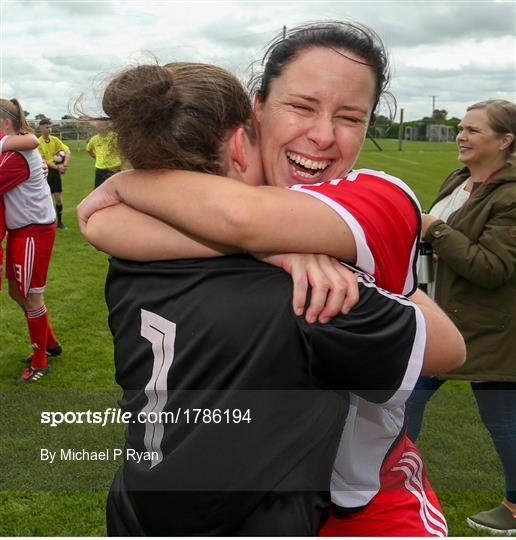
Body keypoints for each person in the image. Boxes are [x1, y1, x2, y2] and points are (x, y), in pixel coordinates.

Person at [79, 22, 454, 536]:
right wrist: (276, 249)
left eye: (350, 117)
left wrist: (129, 181)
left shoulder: (373, 195)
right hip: (293, 501)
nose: (323, 135)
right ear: (256, 111)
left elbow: (228, 218)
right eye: (301, 107)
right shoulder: (295, 292)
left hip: (349, 500)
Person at [405, 99, 516, 535]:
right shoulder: (460, 179)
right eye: (462, 128)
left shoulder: (510, 195)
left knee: (503, 420)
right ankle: (389, 487)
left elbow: (493, 269)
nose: (461, 135)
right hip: (439, 317)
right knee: (402, 402)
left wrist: (435, 229)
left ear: (506, 141)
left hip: (489, 330)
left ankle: (513, 508)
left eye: (474, 130)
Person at [0, 99, 62, 384]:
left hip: (33, 231)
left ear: (5, 123)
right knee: (16, 292)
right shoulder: (16, 148)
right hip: (21, 229)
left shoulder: (17, 155)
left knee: (31, 295)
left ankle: (40, 362)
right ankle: (49, 344)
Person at [37, 118, 71, 229]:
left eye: (50, 127)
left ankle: (60, 223)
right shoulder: (38, 142)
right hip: (44, 171)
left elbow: (67, 151)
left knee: (58, 198)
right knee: (45, 198)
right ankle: (44, 222)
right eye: (47, 127)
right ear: (41, 128)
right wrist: (58, 167)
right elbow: (43, 160)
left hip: (55, 171)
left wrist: (65, 165)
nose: (49, 129)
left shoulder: (55, 140)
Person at [86, 118, 122, 188]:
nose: (100, 128)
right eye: (98, 126)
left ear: (107, 126)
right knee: (98, 190)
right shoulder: (94, 139)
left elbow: (123, 147)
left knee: (117, 190)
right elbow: (88, 149)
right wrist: (95, 157)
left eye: (102, 125)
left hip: (114, 167)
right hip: (100, 168)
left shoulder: (114, 136)